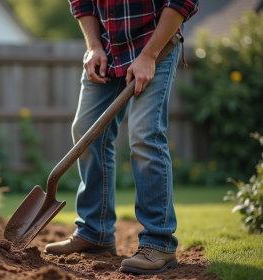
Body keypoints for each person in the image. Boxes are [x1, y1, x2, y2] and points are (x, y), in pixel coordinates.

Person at [44, 0, 199, 275]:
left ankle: (158, 242)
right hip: (107, 46)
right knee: (86, 130)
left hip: (156, 41)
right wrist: (93, 46)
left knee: (144, 134)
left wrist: (149, 55)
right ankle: (95, 232)